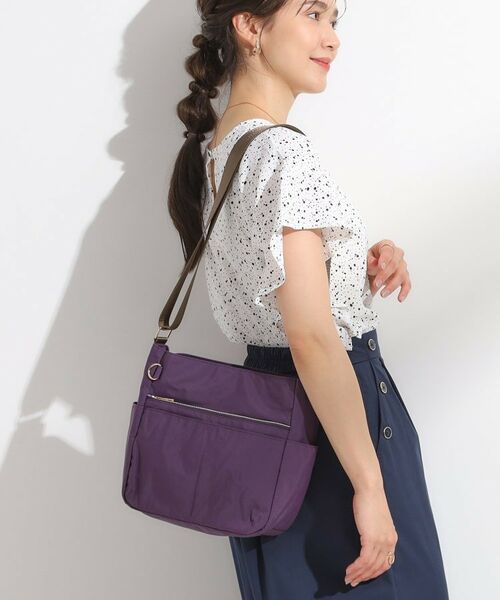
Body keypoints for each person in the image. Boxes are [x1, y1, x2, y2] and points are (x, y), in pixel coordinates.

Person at [167, 0, 450, 598]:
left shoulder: (220, 149)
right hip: (335, 424)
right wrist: (369, 487)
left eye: (334, 20)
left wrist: (352, 264)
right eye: (313, 14)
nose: (332, 38)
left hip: (268, 425)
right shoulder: (282, 153)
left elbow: (273, 296)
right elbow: (312, 337)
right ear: (250, 26)